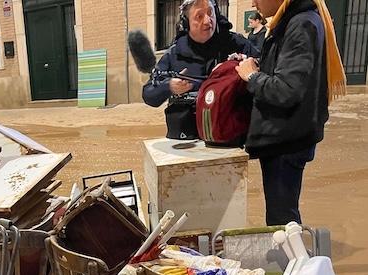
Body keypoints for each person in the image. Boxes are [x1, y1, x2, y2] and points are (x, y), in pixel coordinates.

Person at [236, 0, 346, 225]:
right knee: (281, 215)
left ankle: (293, 259)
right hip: (287, 135)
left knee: (282, 220)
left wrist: (252, 76)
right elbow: (288, 72)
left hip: (287, 138)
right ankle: (291, 257)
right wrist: (257, 65)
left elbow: (287, 90)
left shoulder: (300, 23)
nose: (253, 2)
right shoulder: (295, 19)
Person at [143, 0, 257, 139]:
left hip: (228, 137)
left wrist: (246, 66)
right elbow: (149, 94)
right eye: (199, 16)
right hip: (187, 138)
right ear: (186, 22)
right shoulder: (174, 54)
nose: (208, 20)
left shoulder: (236, 44)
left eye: (211, 13)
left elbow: (265, 70)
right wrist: (169, 86)